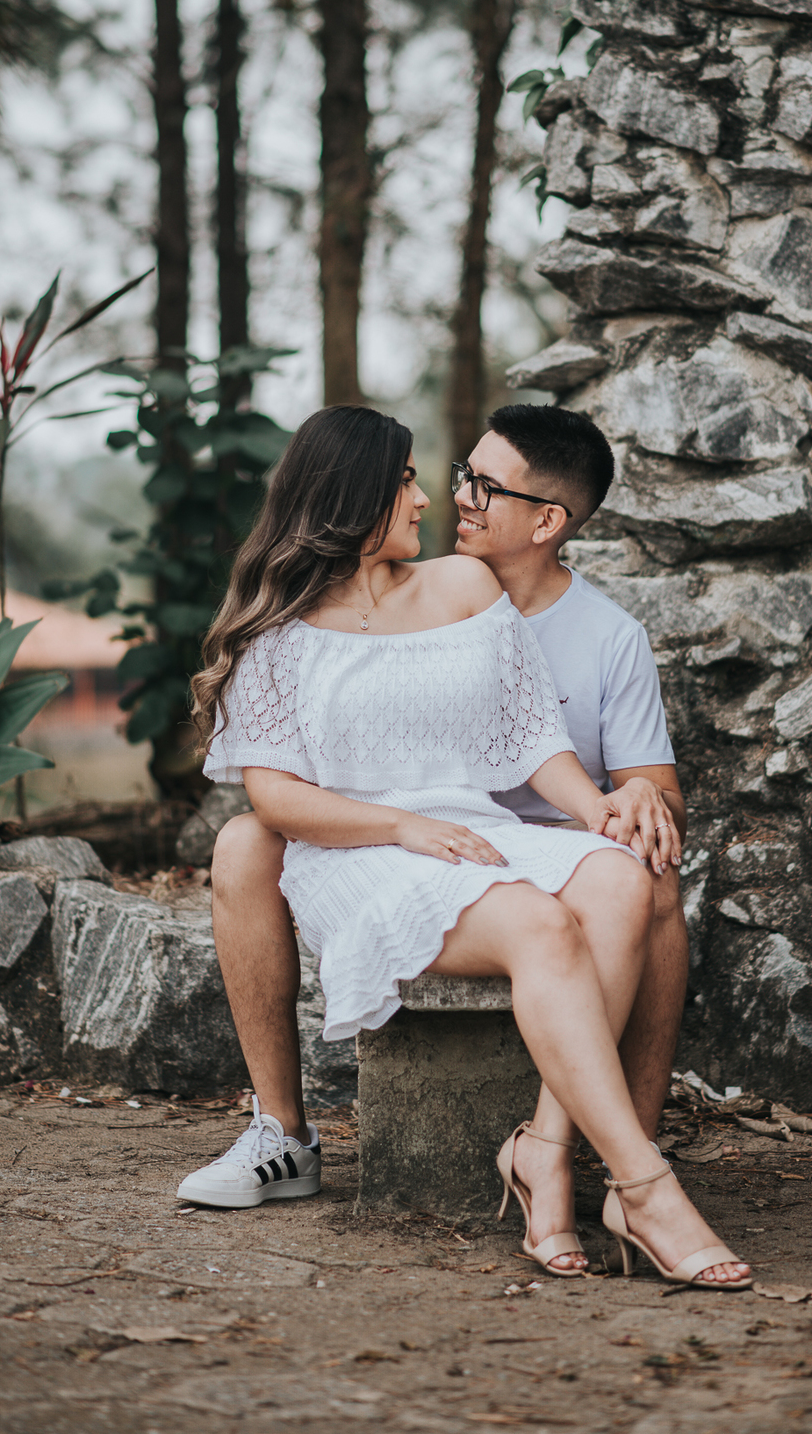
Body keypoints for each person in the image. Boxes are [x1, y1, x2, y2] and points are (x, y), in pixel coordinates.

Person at [180, 405, 748, 1289]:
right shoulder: (276, 632)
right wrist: (402, 827)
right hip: (360, 851)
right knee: (540, 926)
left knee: (621, 880)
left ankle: (544, 1152)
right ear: (354, 496)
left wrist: (601, 812)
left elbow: (533, 740)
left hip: (472, 830)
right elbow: (275, 797)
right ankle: (645, 1188)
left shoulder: (464, 588)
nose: (429, 499)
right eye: (408, 480)